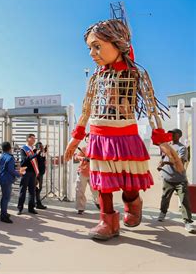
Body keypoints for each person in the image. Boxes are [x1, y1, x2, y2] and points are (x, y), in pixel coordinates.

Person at [64, 19, 183, 241]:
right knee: (102, 184)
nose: (92, 53)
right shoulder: (96, 77)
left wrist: (162, 140)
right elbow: (86, 110)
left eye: (97, 46)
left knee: (129, 182)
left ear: (118, 43)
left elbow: (151, 108)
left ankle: (133, 202)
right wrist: (76, 138)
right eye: (90, 47)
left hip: (125, 135)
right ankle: (107, 221)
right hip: (99, 137)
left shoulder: (137, 73)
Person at [157, 129, 195, 233]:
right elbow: (163, 158)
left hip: (180, 179)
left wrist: (165, 163)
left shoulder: (182, 148)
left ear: (178, 135)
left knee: (184, 200)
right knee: (165, 197)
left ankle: (188, 222)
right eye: (170, 133)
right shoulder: (166, 146)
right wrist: (161, 164)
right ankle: (162, 213)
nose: (170, 135)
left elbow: (180, 161)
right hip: (167, 178)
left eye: (173, 134)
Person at [0, 142, 26, 223]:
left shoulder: (2, 156)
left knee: (4, 197)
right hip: (7, 179)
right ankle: (3, 216)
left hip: (2, 178)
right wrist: (19, 174)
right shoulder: (10, 158)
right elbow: (11, 170)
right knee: (6, 198)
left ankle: (3, 213)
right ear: (10, 148)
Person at [74, 135, 99, 214]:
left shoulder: (98, 149)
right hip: (82, 171)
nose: (89, 139)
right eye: (88, 137)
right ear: (86, 139)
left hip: (94, 173)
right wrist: (83, 158)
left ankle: (98, 203)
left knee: (96, 190)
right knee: (79, 190)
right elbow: (76, 157)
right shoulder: (84, 149)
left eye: (91, 137)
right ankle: (80, 208)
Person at [17, 134, 39, 215]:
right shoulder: (23, 149)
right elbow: (23, 161)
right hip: (26, 172)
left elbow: (36, 160)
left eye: (34, 138)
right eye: (32, 138)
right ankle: (20, 208)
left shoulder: (33, 149)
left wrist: (42, 153)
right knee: (23, 190)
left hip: (33, 172)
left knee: (32, 191)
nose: (34, 140)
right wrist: (35, 154)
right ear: (28, 139)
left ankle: (31, 208)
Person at [35, 142, 47, 210]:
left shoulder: (40, 154)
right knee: (37, 188)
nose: (42, 148)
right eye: (40, 146)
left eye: (42, 146)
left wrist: (44, 151)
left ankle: (37, 202)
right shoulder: (36, 154)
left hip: (41, 173)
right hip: (37, 173)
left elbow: (43, 160)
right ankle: (38, 203)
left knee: (39, 188)